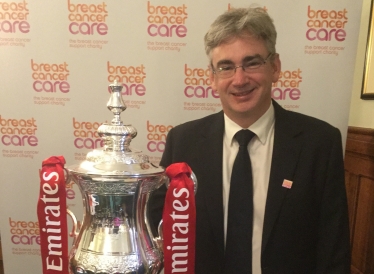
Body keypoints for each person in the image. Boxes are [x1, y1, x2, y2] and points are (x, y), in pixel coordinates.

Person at [153, 6, 350, 274]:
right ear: (212, 78)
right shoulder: (183, 142)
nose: (239, 79)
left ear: (275, 67)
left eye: (252, 62)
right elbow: (157, 234)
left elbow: (333, 249)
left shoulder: (320, 143)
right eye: (226, 67)